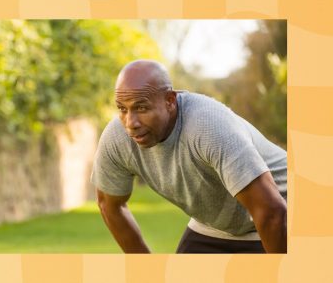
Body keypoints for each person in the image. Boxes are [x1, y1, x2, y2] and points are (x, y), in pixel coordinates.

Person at [91, 59, 287, 253]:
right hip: (214, 228)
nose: (130, 123)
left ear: (170, 101)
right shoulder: (117, 139)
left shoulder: (209, 126)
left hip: (284, 215)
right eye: (122, 109)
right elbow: (109, 206)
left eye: (141, 108)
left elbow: (271, 211)